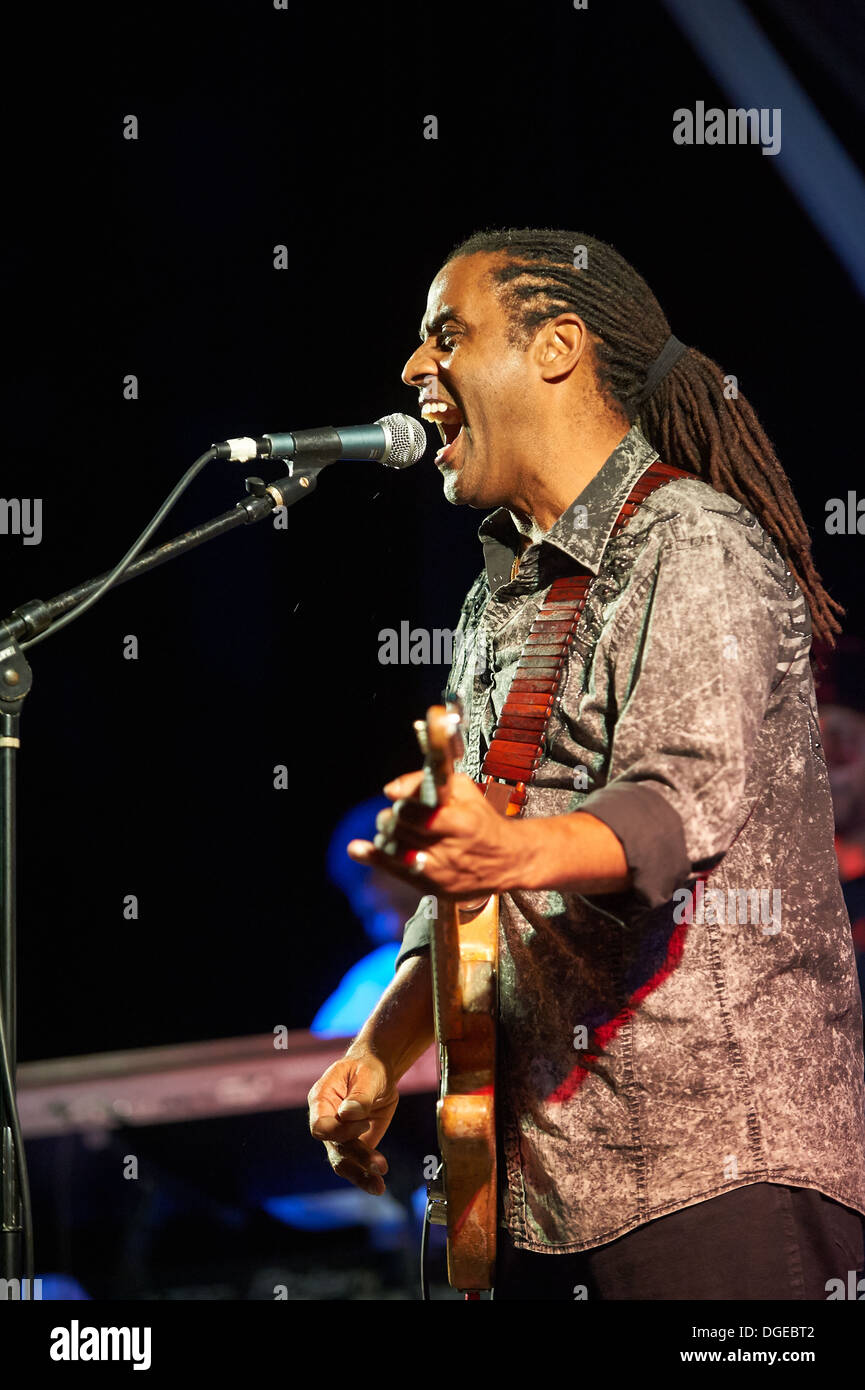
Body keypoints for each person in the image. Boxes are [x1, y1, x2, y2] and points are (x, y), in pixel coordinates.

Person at [307, 228, 865, 1299]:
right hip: (540, 1188)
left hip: (714, 1172)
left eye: (446, 336)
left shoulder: (691, 541)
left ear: (556, 346)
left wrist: (503, 846)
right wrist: (379, 1054)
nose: (414, 371)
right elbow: (479, 878)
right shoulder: (501, 596)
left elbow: (671, 808)